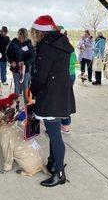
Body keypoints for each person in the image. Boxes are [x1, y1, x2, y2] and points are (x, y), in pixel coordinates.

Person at [30, 15, 76, 187]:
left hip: (51, 95)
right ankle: (52, 163)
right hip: (61, 93)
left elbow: (41, 75)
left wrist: (32, 90)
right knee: (53, 132)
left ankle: (60, 173)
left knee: (55, 136)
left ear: (40, 32)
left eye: (35, 32)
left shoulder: (47, 46)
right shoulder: (61, 42)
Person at [6, 28, 35, 103]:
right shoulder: (13, 42)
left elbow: (33, 56)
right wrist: (11, 61)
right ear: (18, 36)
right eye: (20, 37)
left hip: (26, 69)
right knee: (17, 87)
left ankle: (27, 104)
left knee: (25, 87)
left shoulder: (29, 43)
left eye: (23, 38)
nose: (21, 39)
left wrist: (25, 62)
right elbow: (7, 53)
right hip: (16, 69)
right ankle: (16, 105)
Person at [57, 26, 76, 135]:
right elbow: (75, 60)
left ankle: (59, 125)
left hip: (63, 76)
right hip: (71, 75)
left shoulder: (59, 47)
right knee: (66, 100)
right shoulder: (70, 46)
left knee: (59, 101)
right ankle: (66, 127)